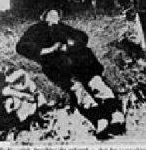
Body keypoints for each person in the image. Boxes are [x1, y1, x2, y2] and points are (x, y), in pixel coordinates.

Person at [15, 8, 126, 139]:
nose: (54, 17)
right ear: (43, 16)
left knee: (97, 84)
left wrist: (69, 45)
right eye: (50, 14)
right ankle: (100, 120)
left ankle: (115, 113)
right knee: (78, 92)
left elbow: (82, 37)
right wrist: (47, 50)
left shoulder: (65, 28)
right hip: (58, 67)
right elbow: (22, 47)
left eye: (56, 14)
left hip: (82, 62)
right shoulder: (36, 30)